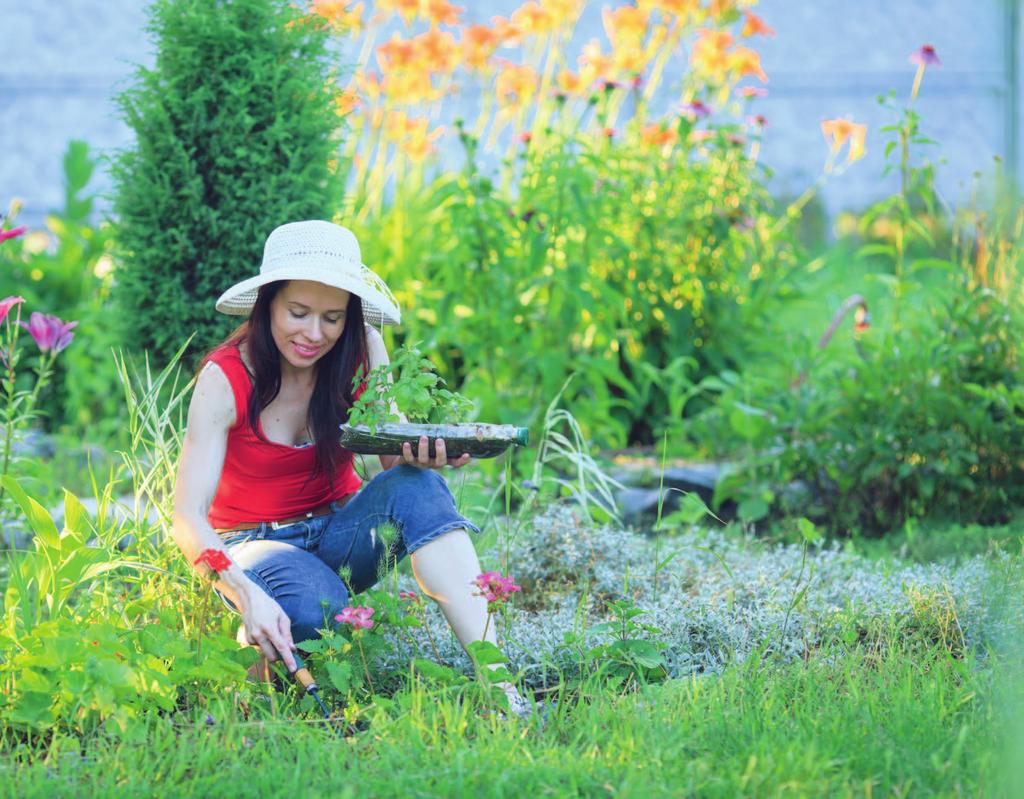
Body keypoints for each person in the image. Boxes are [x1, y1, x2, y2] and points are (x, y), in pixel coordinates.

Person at [171, 220, 523, 710]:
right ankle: (253, 638)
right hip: (253, 545)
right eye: (298, 312)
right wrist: (243, 591)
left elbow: (389, 459)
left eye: (332, 318)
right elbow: (187, 516)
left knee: (419, 486)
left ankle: (501, 685)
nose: (314, 334)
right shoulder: (226, 377)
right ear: (267, 302)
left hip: (339, 528)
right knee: (321, 616)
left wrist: (425, 453)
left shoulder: (360, 350)